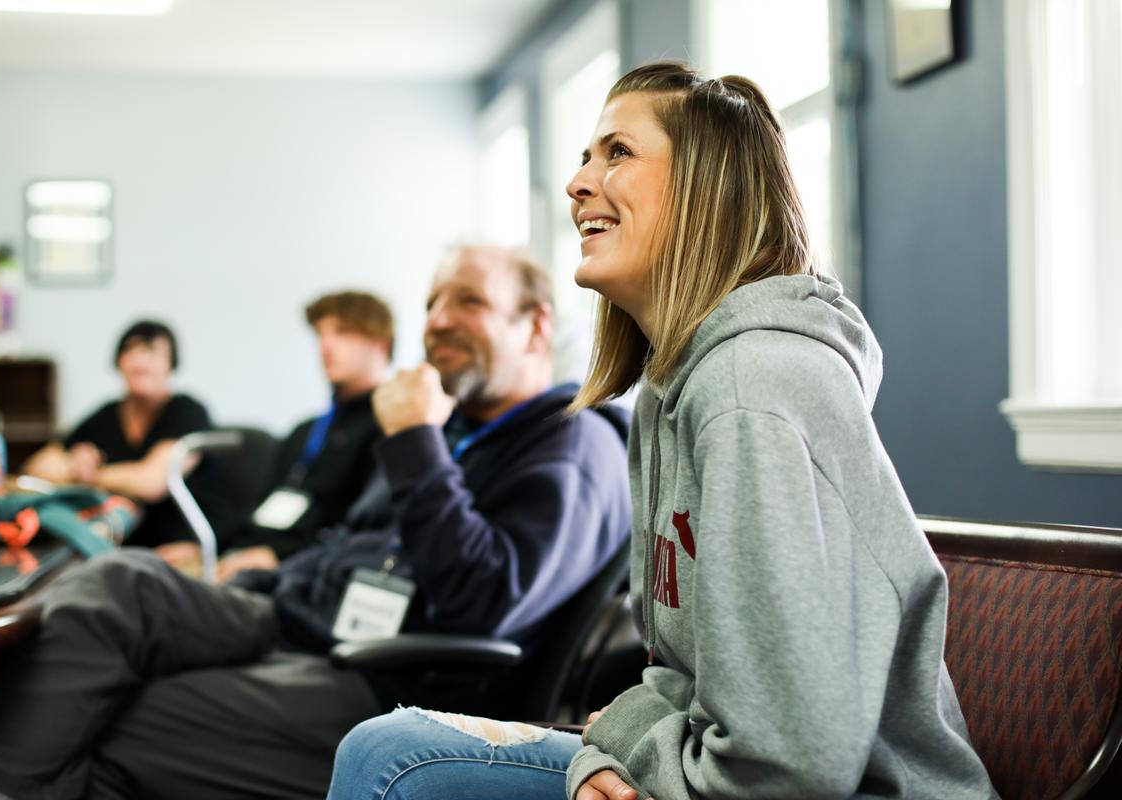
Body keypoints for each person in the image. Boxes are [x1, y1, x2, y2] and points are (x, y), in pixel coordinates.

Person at [326, 63, 998, 800]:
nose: (579, 182)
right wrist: (605, 753)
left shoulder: (754, 387)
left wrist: (624, 756)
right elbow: (673, 678)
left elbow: (789, 765)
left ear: (706, 191)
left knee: (392, 761)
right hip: (709, 768)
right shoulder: (671, 389)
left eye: (618, 152)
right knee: (388, 747)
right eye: (585, 156)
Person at [0, 245, 631, 800]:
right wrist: (269, 573)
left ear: (537, 324)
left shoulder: (571, 443)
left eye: (469, 300)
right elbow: (352, 544)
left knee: (123, 718)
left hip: (393, 679)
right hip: (297, 612)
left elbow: (485, 601)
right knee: (117, 582)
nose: (437, 319)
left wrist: (415, 438)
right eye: (432, 301)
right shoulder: (458, 431)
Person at [157, 291, 395, 581]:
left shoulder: (390, 430)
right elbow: (260, 509)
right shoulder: (305, 432)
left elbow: (363, 532)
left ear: (380, 343)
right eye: (321, 334)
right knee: (142, 571)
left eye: (343, 332)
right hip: (243, 560)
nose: (326, 345)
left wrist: (280, 557)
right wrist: (205, 546)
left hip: (302, 574)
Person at [20, 319, 223, 548]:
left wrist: (88, 476)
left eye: (152, 354)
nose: (141, 364)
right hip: (119, 542)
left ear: (171, 364)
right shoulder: (105, 415)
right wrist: (72, 463)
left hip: (181, 542)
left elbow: (152, 482)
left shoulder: (188, 411)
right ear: (119, 362)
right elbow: (36, 468)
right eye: (132, 353)